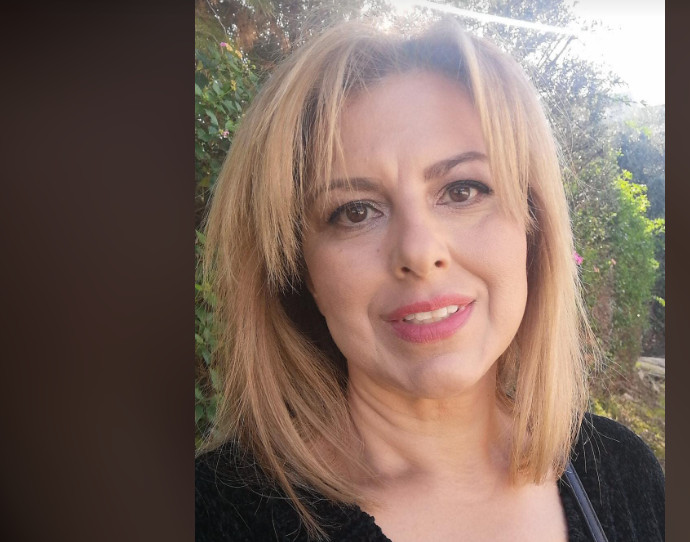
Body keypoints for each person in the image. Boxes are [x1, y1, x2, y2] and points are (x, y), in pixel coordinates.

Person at [195, 17, 664, 542]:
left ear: (534, 229)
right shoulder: (213, 515)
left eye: (462, 191)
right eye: (355, 211)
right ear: (299, 272)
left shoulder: (624, 474)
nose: (419, 252)